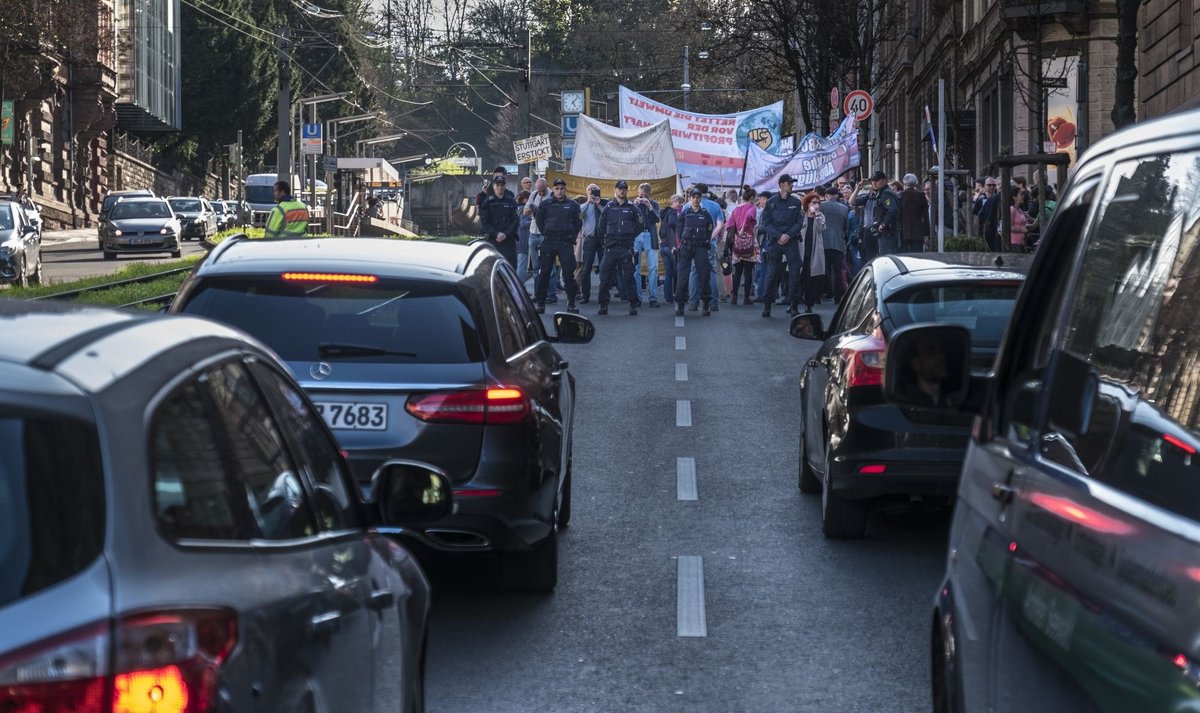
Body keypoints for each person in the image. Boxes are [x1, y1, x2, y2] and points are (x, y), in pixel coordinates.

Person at [595, 180, 645, 316]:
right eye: (619, 188)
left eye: (624, 189)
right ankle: (603, 304)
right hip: (611, 247)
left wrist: (630, 236)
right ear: (615, 190)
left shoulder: (632, 208)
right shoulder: (609, 207)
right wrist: (605, 243)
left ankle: (633, 304)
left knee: (629, 277)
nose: (622, 191)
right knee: (604, 277)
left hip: (626, 247)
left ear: (627, 191)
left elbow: (640, 225)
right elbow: (601, 227)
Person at [759, 174, 805, 317]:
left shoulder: (796, 202)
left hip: (790, 241)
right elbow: (766, 223)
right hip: (775, 242)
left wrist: (788, 235)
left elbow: (799, 222)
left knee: (795, 272)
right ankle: (767, 304)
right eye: (789, 183)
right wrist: (779, 236)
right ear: (781, 185)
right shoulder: (771, 202)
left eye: (791, 183)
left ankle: (793, 304)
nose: (791, 185)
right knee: (772, 273)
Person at [533, 178, 582, 314]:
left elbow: (578, 223)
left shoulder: (572, 205)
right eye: (557, 189)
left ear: (565, 190)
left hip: (565, 242)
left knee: (568, 275)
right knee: (544, 274)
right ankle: (541, 303)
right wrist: (546, 233)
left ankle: (571, 303)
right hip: (549, 241)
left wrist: (572, 237)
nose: (559, 191)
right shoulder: (545, 204)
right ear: (553, 189)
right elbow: (539, 220)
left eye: (562, 189)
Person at [675, 188, 716, 316]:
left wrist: (705, 242)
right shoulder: (685, 213)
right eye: (693, 197)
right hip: (686, 247)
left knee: (704, 276)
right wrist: (680, 245)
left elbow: (710, 230)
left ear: (701, 198)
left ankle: (705, 304)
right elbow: (678, 230)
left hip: (700, 248)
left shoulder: (705, 214)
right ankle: (680, 304)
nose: (696, 199)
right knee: (682, 276)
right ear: (690, 198)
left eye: (698, 197)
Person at [686, 183, 726, 311]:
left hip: (693, 244)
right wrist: (710, 238)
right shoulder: (715, 206)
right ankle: (713, 303)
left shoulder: (688, 205)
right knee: (712, 271)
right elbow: (720, 226)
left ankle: (693, 302)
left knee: (694, 272)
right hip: (710, 244)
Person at [852, 170, 899, 257]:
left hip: (888, 234)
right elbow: (852, 202)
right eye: (872, 181)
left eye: (876, 180)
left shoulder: (885, 193)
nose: (874, 183)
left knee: (886, 261)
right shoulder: (881, 193)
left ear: (884, 181)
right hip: (883, 234)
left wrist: (883, 225)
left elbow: (892, 210)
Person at [630, 183, 662, 307]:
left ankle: (653, 298)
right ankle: (637, 297)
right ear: (638, 193)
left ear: (650, 195)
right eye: (640, 195)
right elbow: (629, 218)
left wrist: (649, 207)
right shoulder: (633, 204)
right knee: (635, 268)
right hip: (637, 236)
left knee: (653, 268)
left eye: (645, 196)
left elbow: (656, 220)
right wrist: (634, 205)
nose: (642, 197)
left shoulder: (654, 205)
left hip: (650, 236)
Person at [727, 185, 760, 305]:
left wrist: (737, 233)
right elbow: (749, 216)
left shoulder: (736, 209)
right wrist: (744, 228)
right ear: (751, 197)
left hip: (737, 241)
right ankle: (746, 297)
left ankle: (734, 296)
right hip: (749, 240)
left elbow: (729, 225)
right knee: (748, 271)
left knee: (738, 271)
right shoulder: (752, 207)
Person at [820, 185, 850, 303]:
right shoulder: (844, 208)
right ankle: (837, 297)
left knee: (822, 269)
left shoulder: (821, 207)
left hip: (823, 242)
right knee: (837, 271)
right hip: (838, 242)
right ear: (837, 196)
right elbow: (846, 227)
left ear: (827, 196)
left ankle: (824, 293)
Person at [479, 175, 520, 264]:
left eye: (502, 185)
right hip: (494, 239)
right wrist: (496, 233)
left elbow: (515, 220)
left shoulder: (511, 201)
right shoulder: (488, 202)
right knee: (493, 266)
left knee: (511, 266)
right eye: (497, 185)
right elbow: (484, 222)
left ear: (505, 186)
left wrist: (505, 234)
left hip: (508, 240)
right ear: (494, 186)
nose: (500, 187)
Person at [797, 192, 826, 312]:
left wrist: (817, 215)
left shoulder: (820, 216)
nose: (816, 205)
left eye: (818, 202)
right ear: (807, 203)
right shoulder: (801, 215)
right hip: (801, 250)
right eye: (813, 202)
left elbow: (821, 228)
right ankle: (794, 302)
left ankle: (808, 304)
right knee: (797, 278)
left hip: (814, 252)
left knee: (811, 280)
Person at [577, 184, 605, 304]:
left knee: (604, 268)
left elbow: (608, 215)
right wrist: (588, 202)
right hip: (589, 239)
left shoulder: (604, 204)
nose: (592, 193)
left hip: (603, 239)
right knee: (586, 268)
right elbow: (578, 215)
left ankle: (603, 296)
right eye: (590, 190)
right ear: (586, 192)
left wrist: (599, 204)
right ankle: (585, 295)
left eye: (595, 191)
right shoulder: (584, 205)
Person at [898, 173, 930, 253]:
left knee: (904, 257)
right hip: (917, 232)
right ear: (916, 182)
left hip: (903, 231)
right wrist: (926, 234)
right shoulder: (921, 195)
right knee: (916, 257)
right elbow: (926, 216)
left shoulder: (899, 195)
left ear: (904, 183)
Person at [659, 194, 683, 300]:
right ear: (673, 202)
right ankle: (677, 295)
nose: (680, 205)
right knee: (677, 271)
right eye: (679, 202)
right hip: (671, 246)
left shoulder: (664, 213)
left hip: (663, 245)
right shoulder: (672, 212)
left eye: (681, 202)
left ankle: (668, 296)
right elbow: (672, 223)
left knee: (669, 273)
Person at [516, 190, 533, 287]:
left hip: (519, 238)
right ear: (526, 199)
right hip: (523, 238)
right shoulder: (523, 209)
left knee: (520, 264)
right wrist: (534, 221)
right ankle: (520, 288)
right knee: (522, 265)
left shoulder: (518, 208)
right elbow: (523, 223)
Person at [978, 177, 1001, 251]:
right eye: (989, 185)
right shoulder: (981, 199)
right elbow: (977, 216)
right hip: (986, 230)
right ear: (985, 185)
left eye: (994, 185)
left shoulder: (1000, 198)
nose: (992, 187)